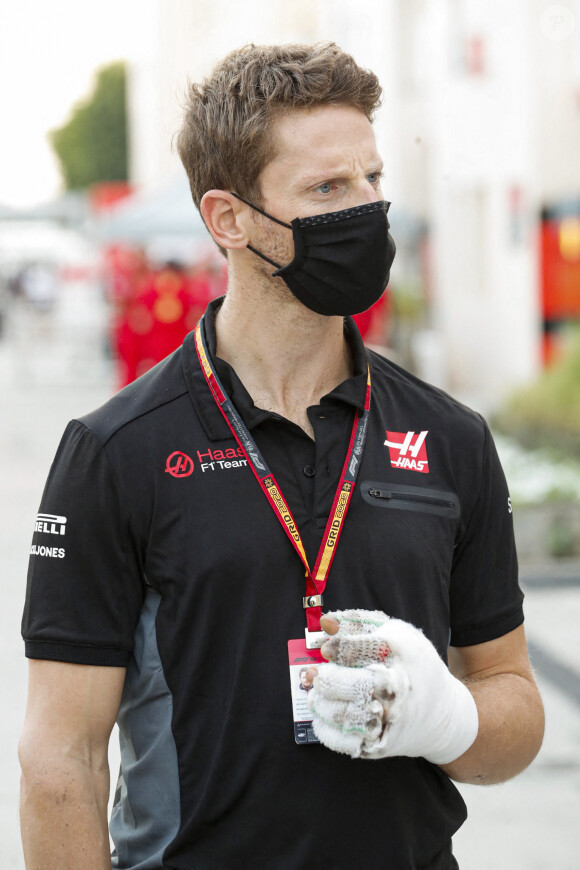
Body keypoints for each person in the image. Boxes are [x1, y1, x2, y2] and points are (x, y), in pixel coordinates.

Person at [19, 42, 544, 870]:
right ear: (228, 219)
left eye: (373, 180)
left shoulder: (450, 438)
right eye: (328, 189)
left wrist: (445, 716)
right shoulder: (113, 452)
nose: (368, 210)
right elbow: (61, 761)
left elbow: (513, 710)